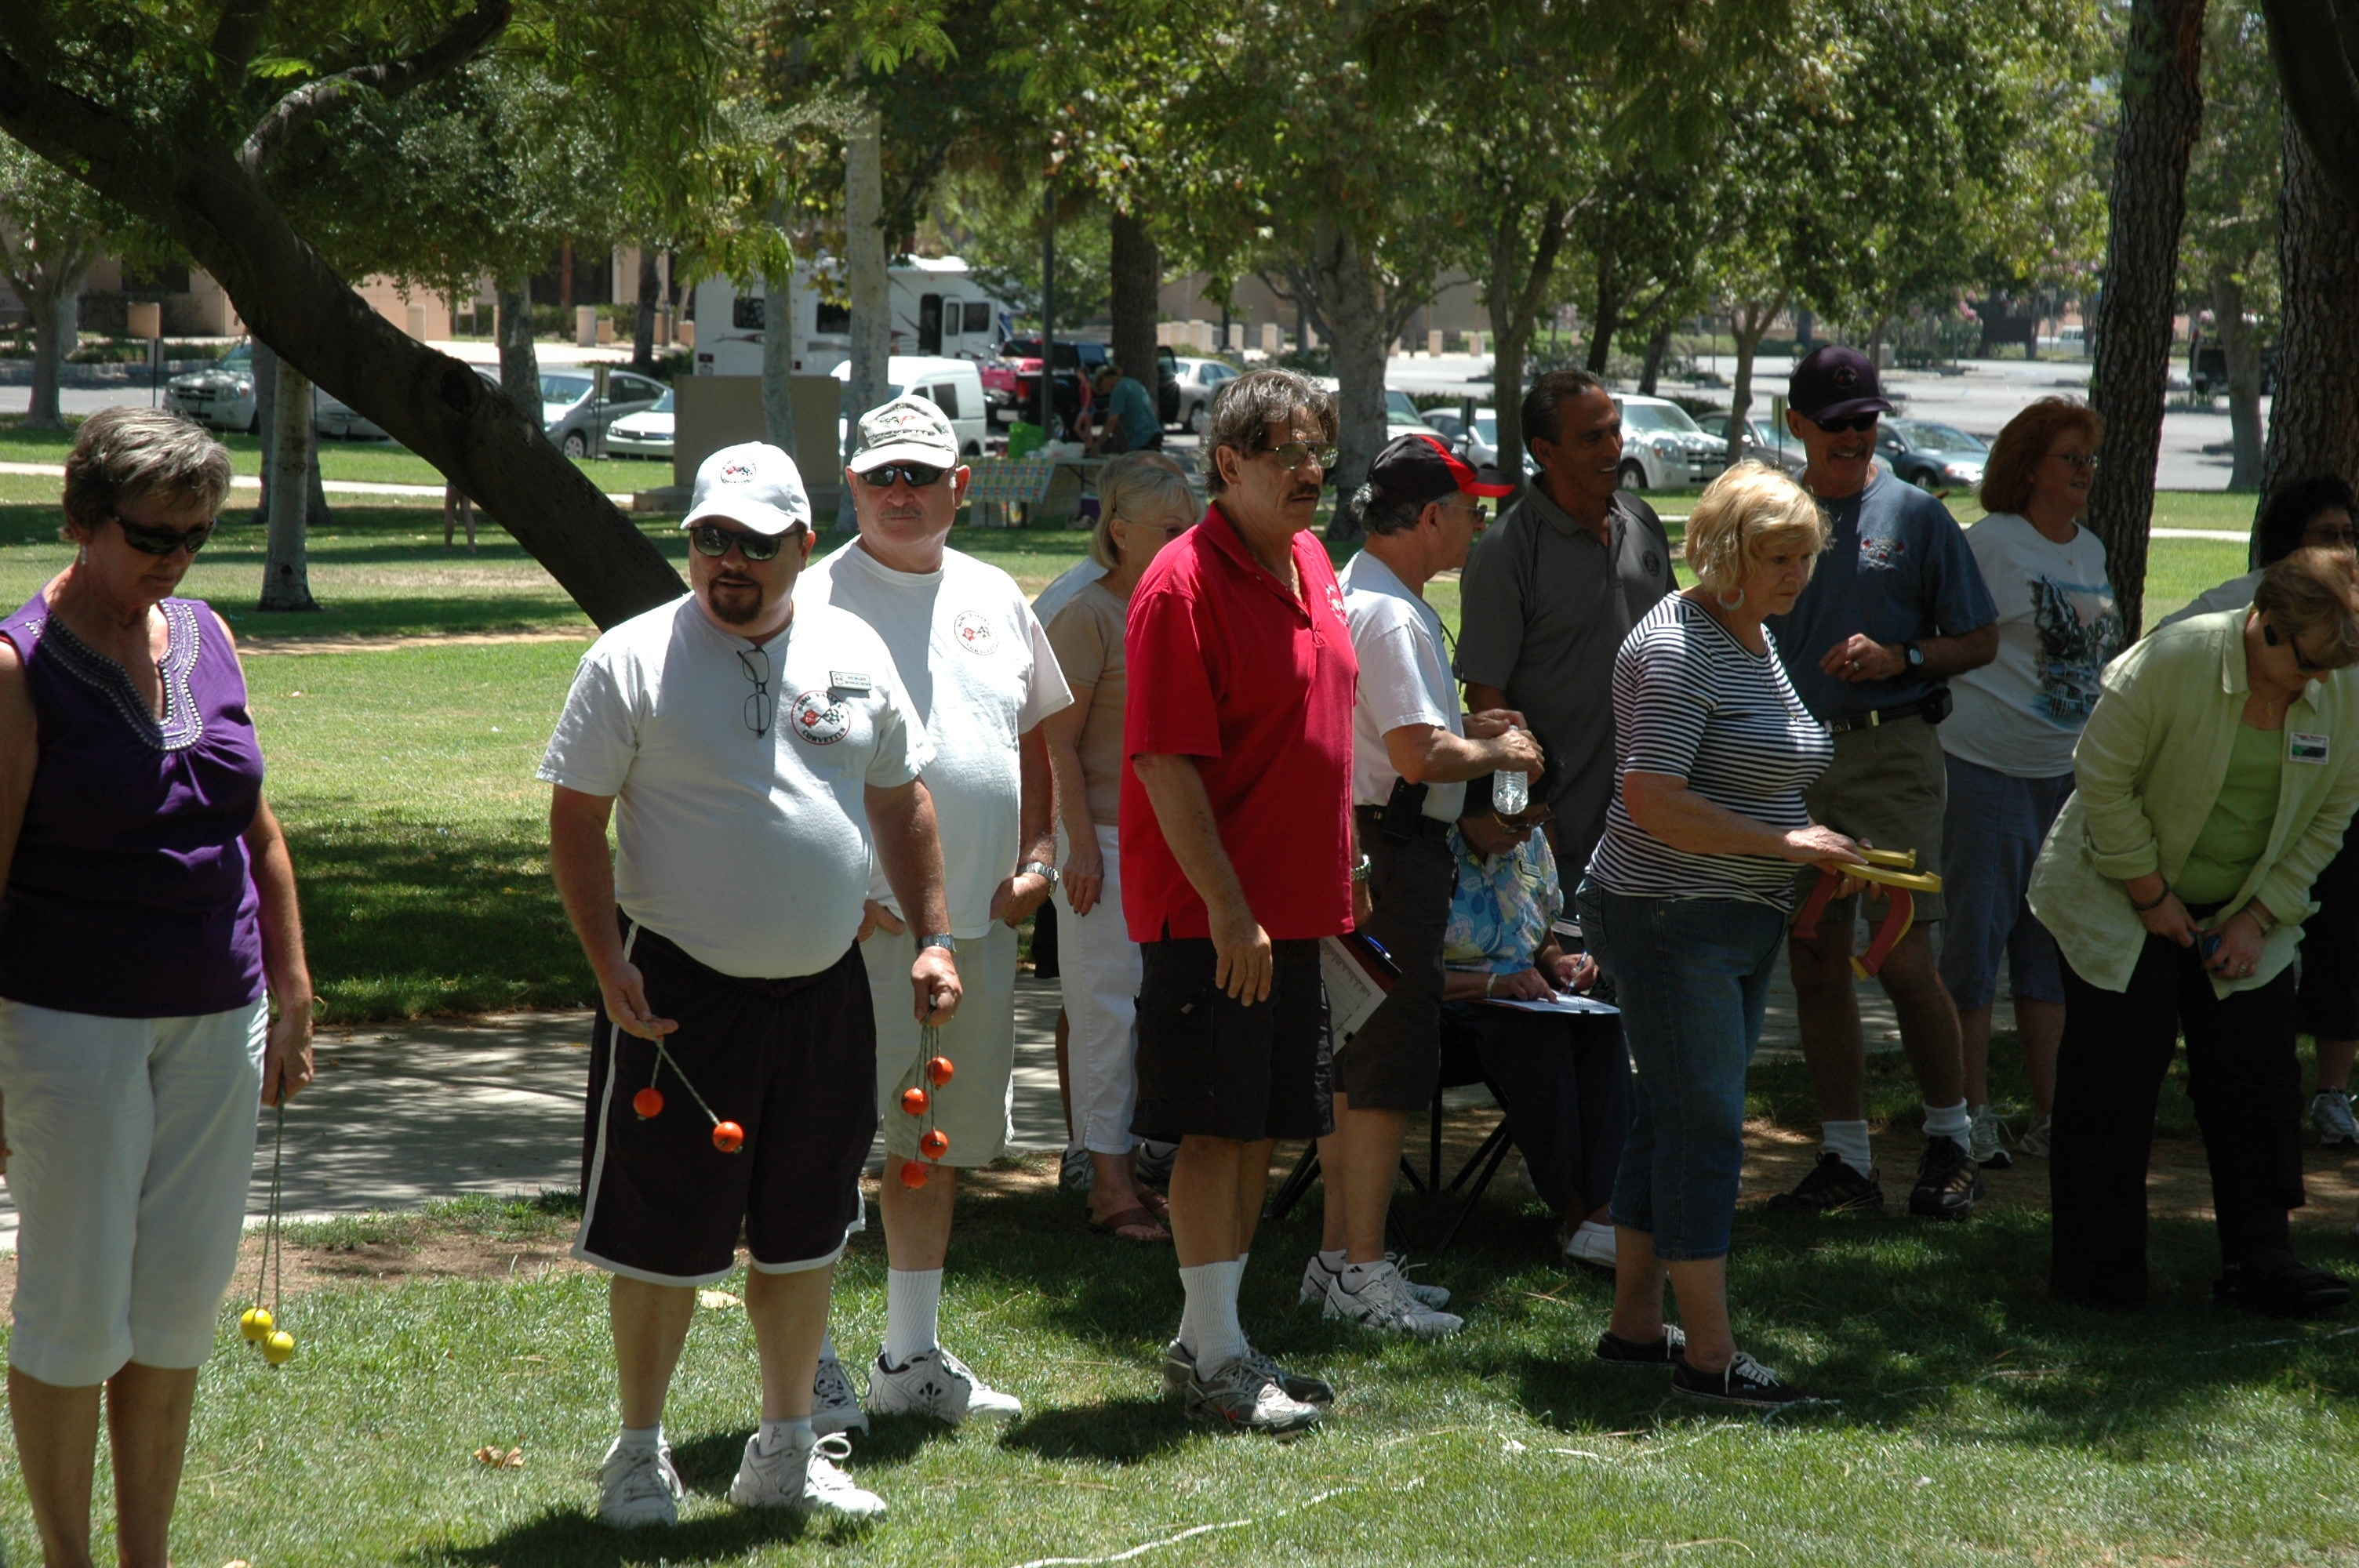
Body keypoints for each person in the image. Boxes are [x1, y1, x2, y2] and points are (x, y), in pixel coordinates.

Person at [542, 441, 957, 1525]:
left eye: (754, 543)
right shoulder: (632, 658)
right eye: (710, 538)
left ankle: (785, 1450)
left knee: (806, 1234)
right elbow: (577, 818)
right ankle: (638, 1456)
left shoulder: (851, 647)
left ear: (802, 545)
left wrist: (935, 937)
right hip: (678, 996)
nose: (729, 559)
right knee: (661, 1239)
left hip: (823, 991)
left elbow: (900, 797)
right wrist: (609, 961)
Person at [0, 407, 317, 1568]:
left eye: (196, 535)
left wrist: (291, 982)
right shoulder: (17, 667)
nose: (175, 558)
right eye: (152, 535)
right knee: (74, 1306)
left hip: (220, 1012)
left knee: (178, 1305)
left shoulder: (208, 632)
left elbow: (256, 827)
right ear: (84, 521)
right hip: (66, 1022)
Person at [798, 393, 1070, 1428]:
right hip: (852, 935)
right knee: (821, 1154)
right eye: (882, 476)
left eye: (920, 474)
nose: (900, 492)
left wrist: (1039, 856)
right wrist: (836, 886)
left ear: (961, 485)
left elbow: (1035, 736)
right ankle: (809, 1369)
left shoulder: (995, 593)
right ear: (853, 485)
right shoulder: (811, 599)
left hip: (976, 934)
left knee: (930, 1148)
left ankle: (909, 1359)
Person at [1582, 462, 1855, 1408]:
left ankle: (1633, 1328)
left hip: (1732, 914)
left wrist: (1809, 846)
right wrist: (1785, 842)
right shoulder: (1676, 647)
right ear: (1722, 552)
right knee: (1704, 1127)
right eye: (1777, 557)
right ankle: (1709, 1356)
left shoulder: (1751, 631)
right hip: (1669, 915)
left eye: (1804, 556)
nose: (1796, 575)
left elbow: (1752, 770)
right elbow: (1651, 798)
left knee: (1671, 1115)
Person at [2030, 547, 2359, 1314]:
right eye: (2309, 663)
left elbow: (2331, 815)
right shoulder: (2175, 657)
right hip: (2118, 891)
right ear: (2265, 625)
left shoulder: (2339, 685)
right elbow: (2100, 776)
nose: (2317, 682)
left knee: (2258, 1080)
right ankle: (2097, 1276)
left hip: (2245, 911)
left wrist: (2257, 916)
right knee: (2112, 1082)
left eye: (2333, 667)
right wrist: (2149, 893)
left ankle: (2261, 1259)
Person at [1125, 367, 1354, 1435]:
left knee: (1259, 1127)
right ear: (1227, 463)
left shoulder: (1310, 560)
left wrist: (1343, 860)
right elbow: (1163, 761)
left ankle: (1211, 1339)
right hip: (1216, 918)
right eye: (1285, 453)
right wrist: (1227, 906)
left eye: (1318, 452)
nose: (1309, 471)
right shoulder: (1180, 585)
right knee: (1214, 1132)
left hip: (1293, 911)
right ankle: (1216, 1354)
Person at [1761, 345, 1998, 1221]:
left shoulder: (1915, 514)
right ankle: (1846, 1161)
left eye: (1865, 420)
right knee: (1815, 956)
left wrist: (1902, 657)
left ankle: (1951, 1141)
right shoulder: (1771, 513)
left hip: (1890, 753)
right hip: (1792, 763)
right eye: (1835, 424)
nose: (1853, 436)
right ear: (1796, 424)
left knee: (1902, 954)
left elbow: (1979, 638)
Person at [1312, 431, 1536, 1337]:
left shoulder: (1362, 591)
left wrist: (1463, 727)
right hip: (1394, 851)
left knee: (1353, 1062)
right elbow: (1415, 755)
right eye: (1469, 509)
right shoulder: (1392, 613)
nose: (1477, 525)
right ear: (1431, 516)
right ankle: (1361, 1270)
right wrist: (1501, 749)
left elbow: (1401, 731)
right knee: (1386, 1065)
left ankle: (1337, 1258)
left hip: (1370, 844)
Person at [1936, 397, 2125, 1171]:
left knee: (2047, 957)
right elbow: (1949, 639)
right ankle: (1968, 1114)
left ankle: (2052, 1116)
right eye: (2068, 457)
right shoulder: (1989, 545)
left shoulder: (2091, 549)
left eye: (2089, 458)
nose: (2084, 471)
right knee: (1974, 950)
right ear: (2026, 466)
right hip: (1986, 771)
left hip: (2064, 779)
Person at [2160, 476, 2359, 1152]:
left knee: (2339, 950)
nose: (2342, 548)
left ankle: (2331, 1095)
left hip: (2322, 817)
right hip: (2222, 843)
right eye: (2325, 535)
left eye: (2349, 535)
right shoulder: (2229, 609)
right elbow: (2158, 660)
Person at [1041, 450, 1197, 1240]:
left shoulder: (1179, 611)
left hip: (1169, 842)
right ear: (1121, 530)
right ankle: (1107, 1188)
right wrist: (1078, 845)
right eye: (1172, 528)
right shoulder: (1088, 614)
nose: (1187, 541)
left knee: (1149, 1015)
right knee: (1105, 1015)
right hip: (1103, 839)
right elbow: (1055, 742)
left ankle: (1126, 1171)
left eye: (1192, 527)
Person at [1456, 367, 1678, 871]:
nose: (1612, 448)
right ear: (1545, 450)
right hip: (1564, 835)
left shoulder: (1642, 521)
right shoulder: (1507, 551)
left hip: (1658, 823)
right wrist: (1530, 815)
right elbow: (1486, 698)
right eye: (1591, 438)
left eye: (1615, 430)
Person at [1439, 771, 1629, 1269]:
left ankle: (1610, 1206)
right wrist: (1493, 985)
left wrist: (1557, 961)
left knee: (1602, 1026)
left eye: (1537, 820)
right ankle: (1574, 1211)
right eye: (1514, 824)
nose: (1525, 834)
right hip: (1450, 1008)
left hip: (1525, 996)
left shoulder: (1531, 843)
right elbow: (1405, 971)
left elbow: (1539, 931)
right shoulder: (1433, 849)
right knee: (1539, 1037)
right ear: (1470, 806)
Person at [1086, 361, 1163, 455]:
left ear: (1105, 379)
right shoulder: (1133, 383)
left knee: (1141, 464)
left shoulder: (1118, 390)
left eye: (1101, 386)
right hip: (1155, 433)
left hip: (1142, 438)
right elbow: (1154, 407)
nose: (1105, 391)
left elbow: (1112, 421)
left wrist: (1097, 445)